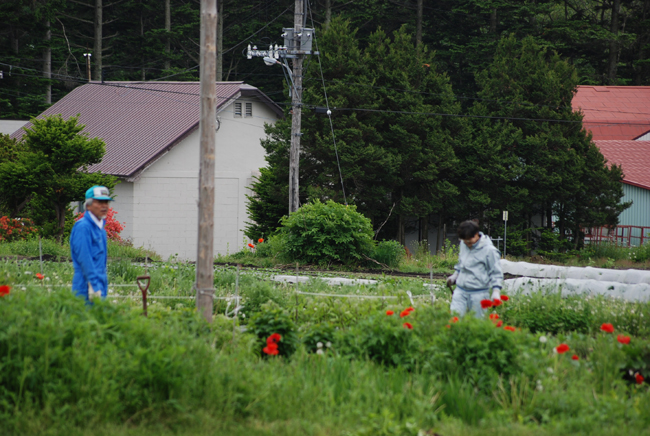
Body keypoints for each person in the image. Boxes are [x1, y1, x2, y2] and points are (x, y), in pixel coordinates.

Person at [446, 220, 503, 318]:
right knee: (454, 319)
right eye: (464, 241)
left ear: (476, 235)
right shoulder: (464, 244)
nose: (467, 244)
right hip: (460, 291)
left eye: (469, 241)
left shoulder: (489, 251)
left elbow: (496, 273)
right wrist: (455, 275)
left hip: (479, 293)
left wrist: (496, 291)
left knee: (477, 324)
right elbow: (461, 264)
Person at [70, 185, 113, 302]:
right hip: (85, 285)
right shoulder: (83, 227)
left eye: (106, 202)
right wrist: (94, 285)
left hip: (100, 284)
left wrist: (101, 285)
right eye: (99, 202)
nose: (104, 206)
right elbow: (85, 258)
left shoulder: (101, 229)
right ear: (88, 205)